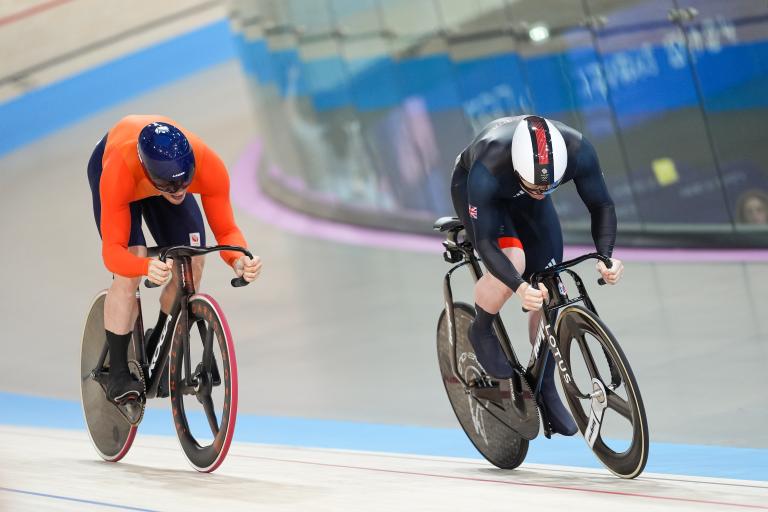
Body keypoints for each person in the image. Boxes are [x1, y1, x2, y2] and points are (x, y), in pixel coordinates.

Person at [451, 115, 623, 436]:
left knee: (550, 281)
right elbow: (486, 242)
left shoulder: (576, 150)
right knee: (514, 261)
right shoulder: (488, 164)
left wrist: (606, 255)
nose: (540, 192)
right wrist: (517, 287)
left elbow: (602, 205)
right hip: (484, 193)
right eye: (535, 186)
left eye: (548, 186)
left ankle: (544, 384)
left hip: (522, 191)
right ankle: (482, 328)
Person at [87, 115, 262, 404]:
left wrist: (238, 259)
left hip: (156, 174)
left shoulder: (206, 163)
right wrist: (143, 267)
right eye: (170, 187)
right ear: (150, 174)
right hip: (115, 168)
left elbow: (227, 229)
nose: (180, 192)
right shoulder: (119, 173)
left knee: (193, 256)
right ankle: (118, 371)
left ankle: (160, 342)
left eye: (185, 184)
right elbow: (112, 252)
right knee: (133, 257)